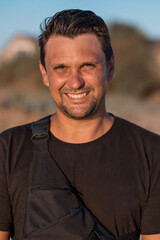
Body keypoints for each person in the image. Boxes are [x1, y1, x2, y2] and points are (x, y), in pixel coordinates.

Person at [0, 9, 160, 240]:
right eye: (61, 68)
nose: (75, 82)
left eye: (88, 66)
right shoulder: (8, 150)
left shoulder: (152, 154)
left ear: (110, 67)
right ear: (45, 74)